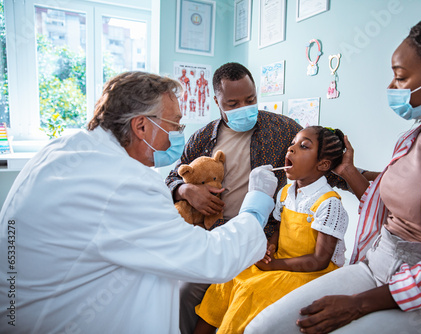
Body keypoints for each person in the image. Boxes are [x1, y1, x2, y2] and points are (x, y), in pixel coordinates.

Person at [245, 14, 421, 334]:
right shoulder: (412, 138)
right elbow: (389, 204)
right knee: (262, 329)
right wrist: (350, 171)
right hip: (376, 264)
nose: (391, 87)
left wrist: (359, 304)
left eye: (401, 77)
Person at [0, 71, 280, 333]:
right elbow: (211, 258)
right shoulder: (123, 182)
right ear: (142, 126)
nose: (179, 132)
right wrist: (256, 205)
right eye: (174, 124)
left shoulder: (67, 147)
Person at [165, 62, 349, 334]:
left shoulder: (283, 130)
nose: (245, 107)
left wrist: (370, 176)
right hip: (213, 235)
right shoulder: (203, 137)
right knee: (184, 294)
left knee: (244, 292)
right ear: (217, 101)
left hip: (261, 238)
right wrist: (186, 191)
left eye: (250, 99)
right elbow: (173, 176)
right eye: (233, 102)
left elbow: (325, 168)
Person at [193, 126, 350, 334]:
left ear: (323, 164)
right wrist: (269, 246)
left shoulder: (328, 203)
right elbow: (280, 228)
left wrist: (274, 264)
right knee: (230, 277)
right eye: (292, 143)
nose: (291, 149)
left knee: (252, 290)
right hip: (283, 260)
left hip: (312, 272)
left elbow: (320, 260)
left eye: (303, 146)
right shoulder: (286, 192)